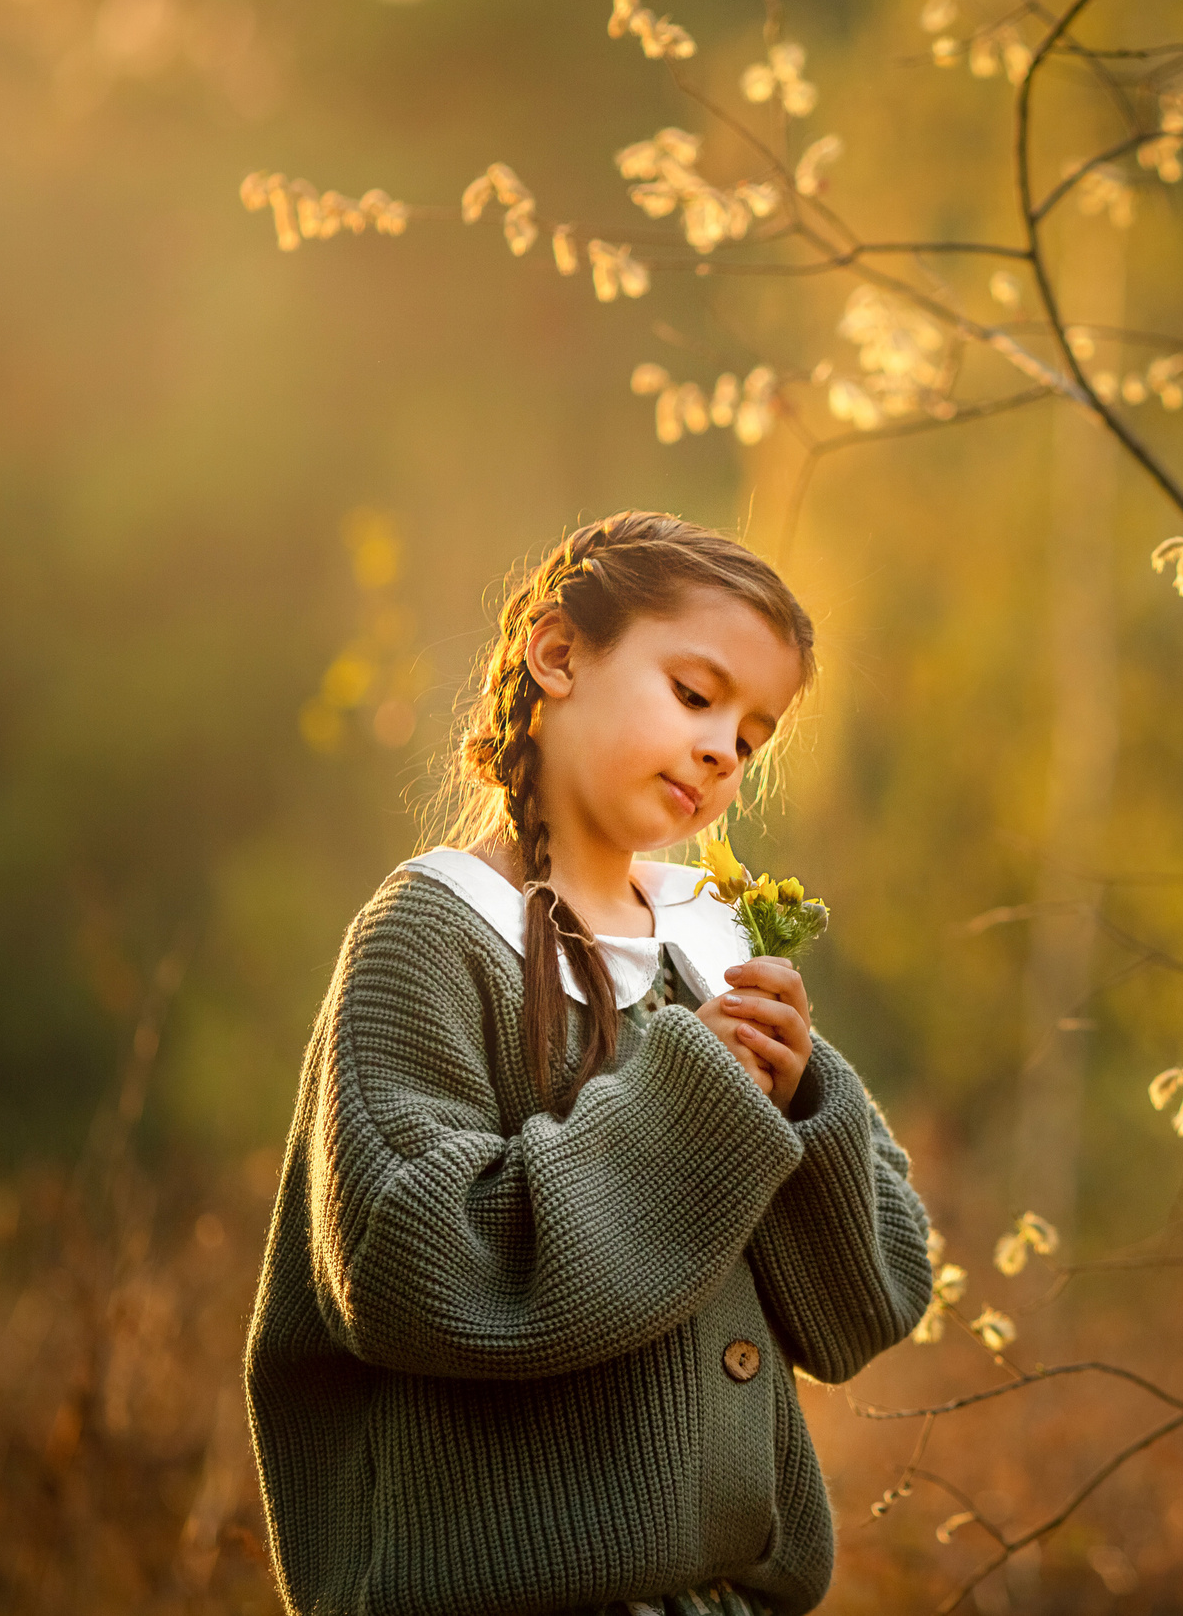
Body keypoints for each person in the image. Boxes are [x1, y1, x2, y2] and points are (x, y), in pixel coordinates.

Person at [244, 510, 932, 1616]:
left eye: (751, 738)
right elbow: (412, 1267)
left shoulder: (712, 944)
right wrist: (692, 1108)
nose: (720, 750)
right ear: (558, 655)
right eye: (696, 695)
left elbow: (872, 1300)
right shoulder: (431, 936)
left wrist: (807, 1101)